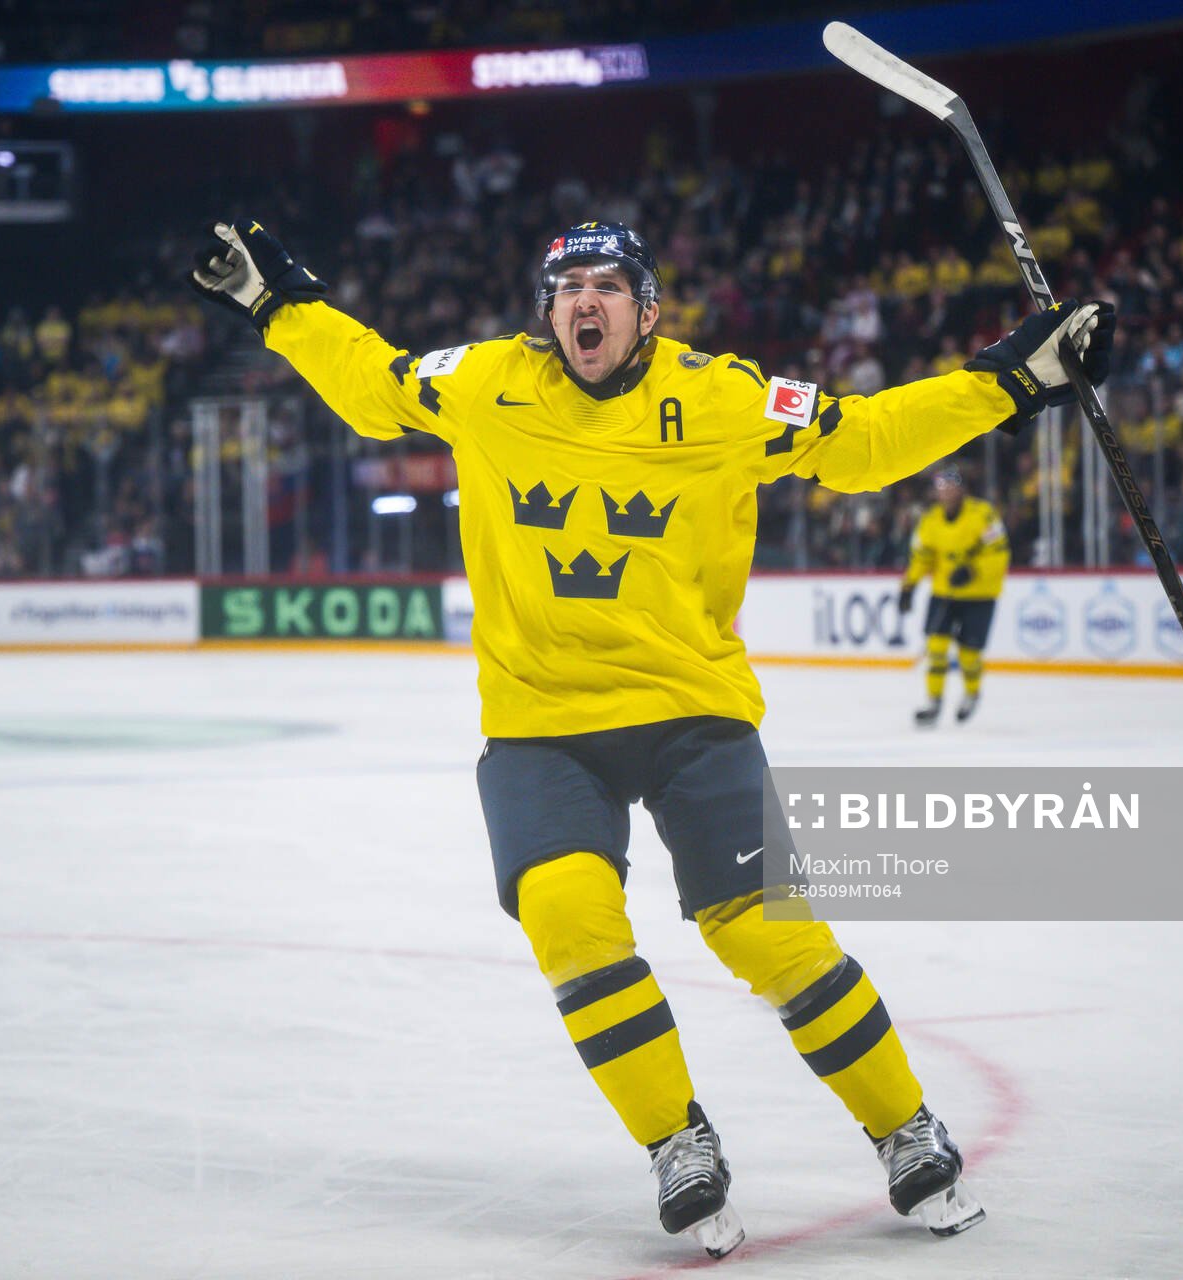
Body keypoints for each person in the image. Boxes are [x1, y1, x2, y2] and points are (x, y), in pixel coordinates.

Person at [190, 218, 1113, 1258]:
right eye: (565, 286)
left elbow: (859, 445)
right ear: (546, 312)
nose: (584, 301)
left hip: (691, 709)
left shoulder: (718, 396)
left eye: (607, 284)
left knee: (766, 932)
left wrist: (1012, 378)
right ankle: (678, 1140)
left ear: (647, 307)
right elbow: (375, 382)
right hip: (542, 722)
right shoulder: (488, 383)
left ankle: (907, 1125)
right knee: (568, 919)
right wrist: (281, 306)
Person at [898, 465, 1009, 726]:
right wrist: (908, 586)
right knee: (936, 647)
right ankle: (933, 701)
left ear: (961, 488)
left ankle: (972, 693)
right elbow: (921, 557)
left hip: (979, 595)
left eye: (951, 486)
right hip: (944, 592)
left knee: (969, 653)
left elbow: (999, 553)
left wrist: (973, 570)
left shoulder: (983, 514)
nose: (946, 492)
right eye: (941, 487)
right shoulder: (931, 520)